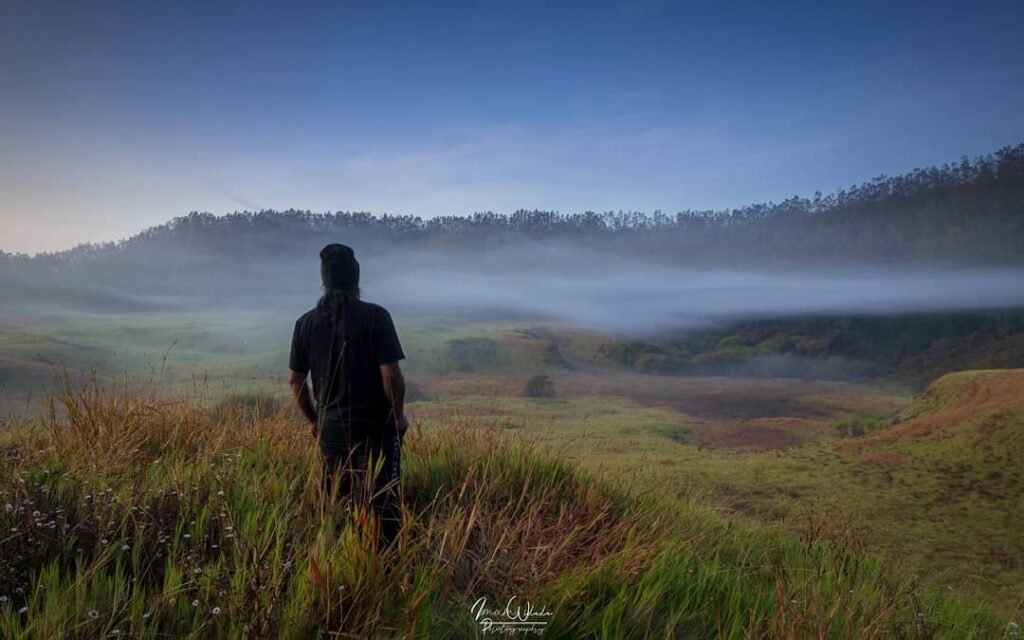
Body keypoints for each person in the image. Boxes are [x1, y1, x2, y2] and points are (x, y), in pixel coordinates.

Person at [287, 243, 408, 552]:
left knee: (336, 505)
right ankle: (384, 569)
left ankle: (337, 563)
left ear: (324, 281)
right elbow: (390, 375)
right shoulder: (377, 317)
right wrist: (397, 416)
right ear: (356, 278)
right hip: (377, 431)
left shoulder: (305, 324)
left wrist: (315, 419)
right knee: (384, 504)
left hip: (330, 430)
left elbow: (295, 380)